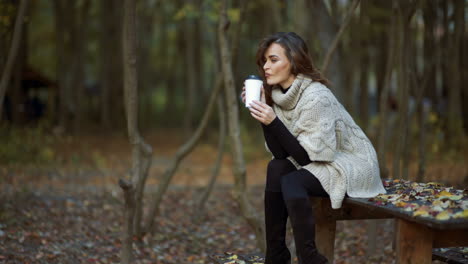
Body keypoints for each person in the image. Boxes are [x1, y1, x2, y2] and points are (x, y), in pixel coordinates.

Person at [241, 32, 386, 264]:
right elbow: (282, 154)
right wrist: (265, 113)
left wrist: (273, 121)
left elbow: (308, 158)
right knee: (276, 168)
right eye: (265, 61)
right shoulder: (278, 97)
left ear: (294, 60)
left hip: (352, 163)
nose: (266, 66)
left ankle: (309, 257)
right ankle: (276, 255)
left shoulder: (316, 96)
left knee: (292, 181)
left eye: (273, 59)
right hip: (318, 160)